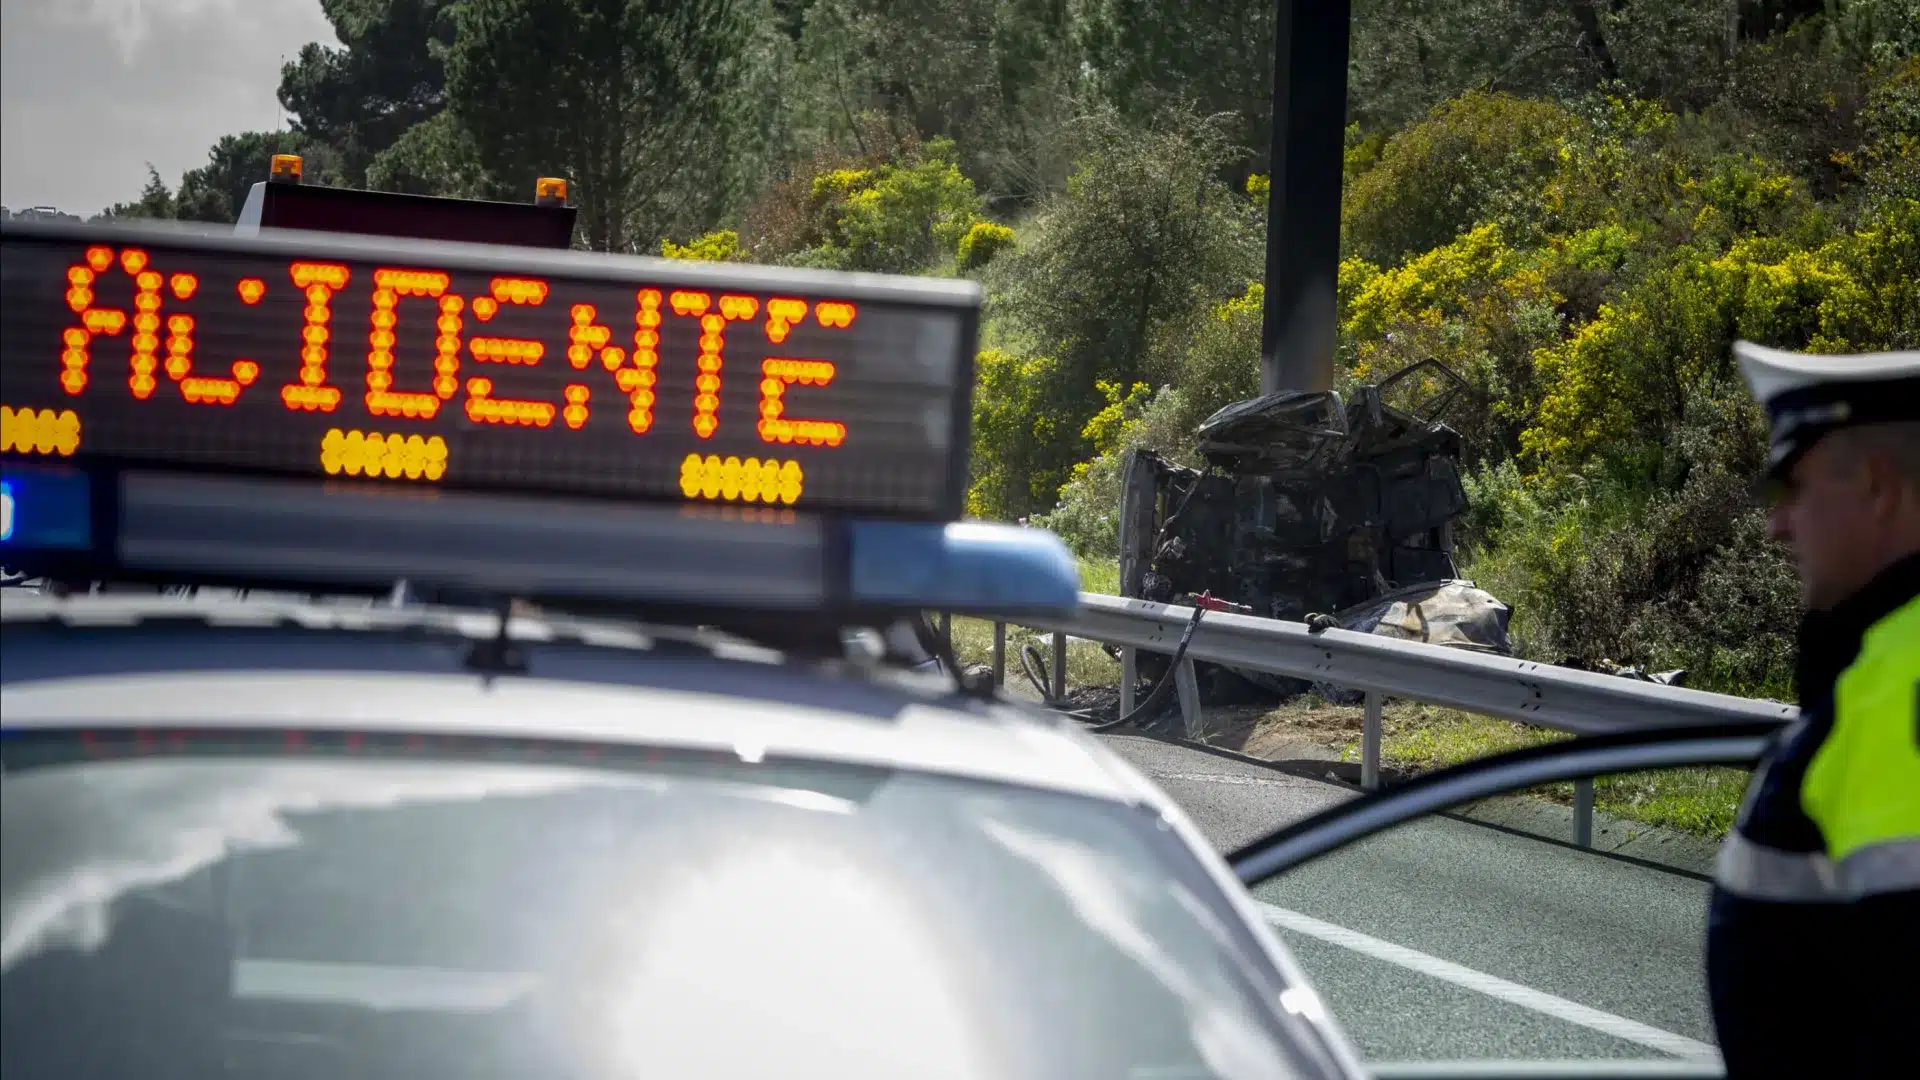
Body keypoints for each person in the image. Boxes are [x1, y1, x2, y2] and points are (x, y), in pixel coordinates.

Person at [1706, 341, 1919, 1078]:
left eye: (1794, 489)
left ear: (1878, 486)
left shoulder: (1901, 691)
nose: (1778, 527)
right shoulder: (1884, 665)